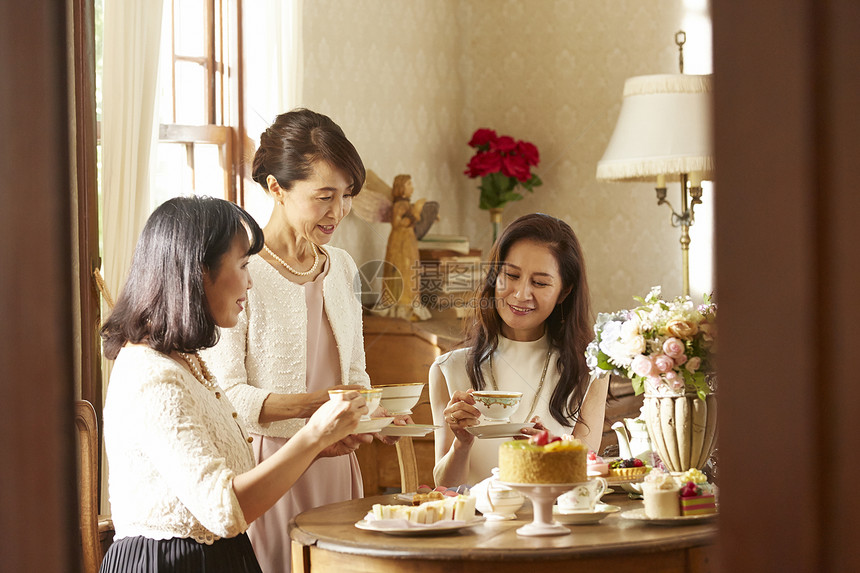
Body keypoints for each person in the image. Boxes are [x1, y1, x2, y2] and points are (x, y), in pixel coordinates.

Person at [99, 196, 367, 572]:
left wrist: (318, 447)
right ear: (197, 272)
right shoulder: (152, 374)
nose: (251, 280)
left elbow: (234, 474)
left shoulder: (184, 361)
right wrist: (313, 436)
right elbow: (223, 509)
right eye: (242, 265)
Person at [201, 108, 400, 573]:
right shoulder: (240, 273)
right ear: (276, 188)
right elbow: (227, 397)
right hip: (269, 466)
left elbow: (356, 375)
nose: (339, 211)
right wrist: (321, 407)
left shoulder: (344, 268)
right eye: (324, 196)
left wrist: (374, 414)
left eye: (347, 195)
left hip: (336, 464)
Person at [429, 213, 609, 487]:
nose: (520, 294)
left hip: (556, 523)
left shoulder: (591, 369)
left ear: (564, 292)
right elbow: (445, 487)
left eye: (539, 283)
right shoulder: (448, 369)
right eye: (511, 275)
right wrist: (461, 444)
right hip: (477, 526)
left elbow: (588, 474)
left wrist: (553, 452)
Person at [382, 174, 430, 320]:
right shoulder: (399, 205)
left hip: (409, 242)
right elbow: (398, 223)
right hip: (400, 243)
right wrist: (416, 210)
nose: (412, 188)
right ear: (401, 188)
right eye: (409, 185)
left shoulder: (407, 205)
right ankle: (402, 306)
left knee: (410, 270)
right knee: (402, 269)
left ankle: (411, 304)